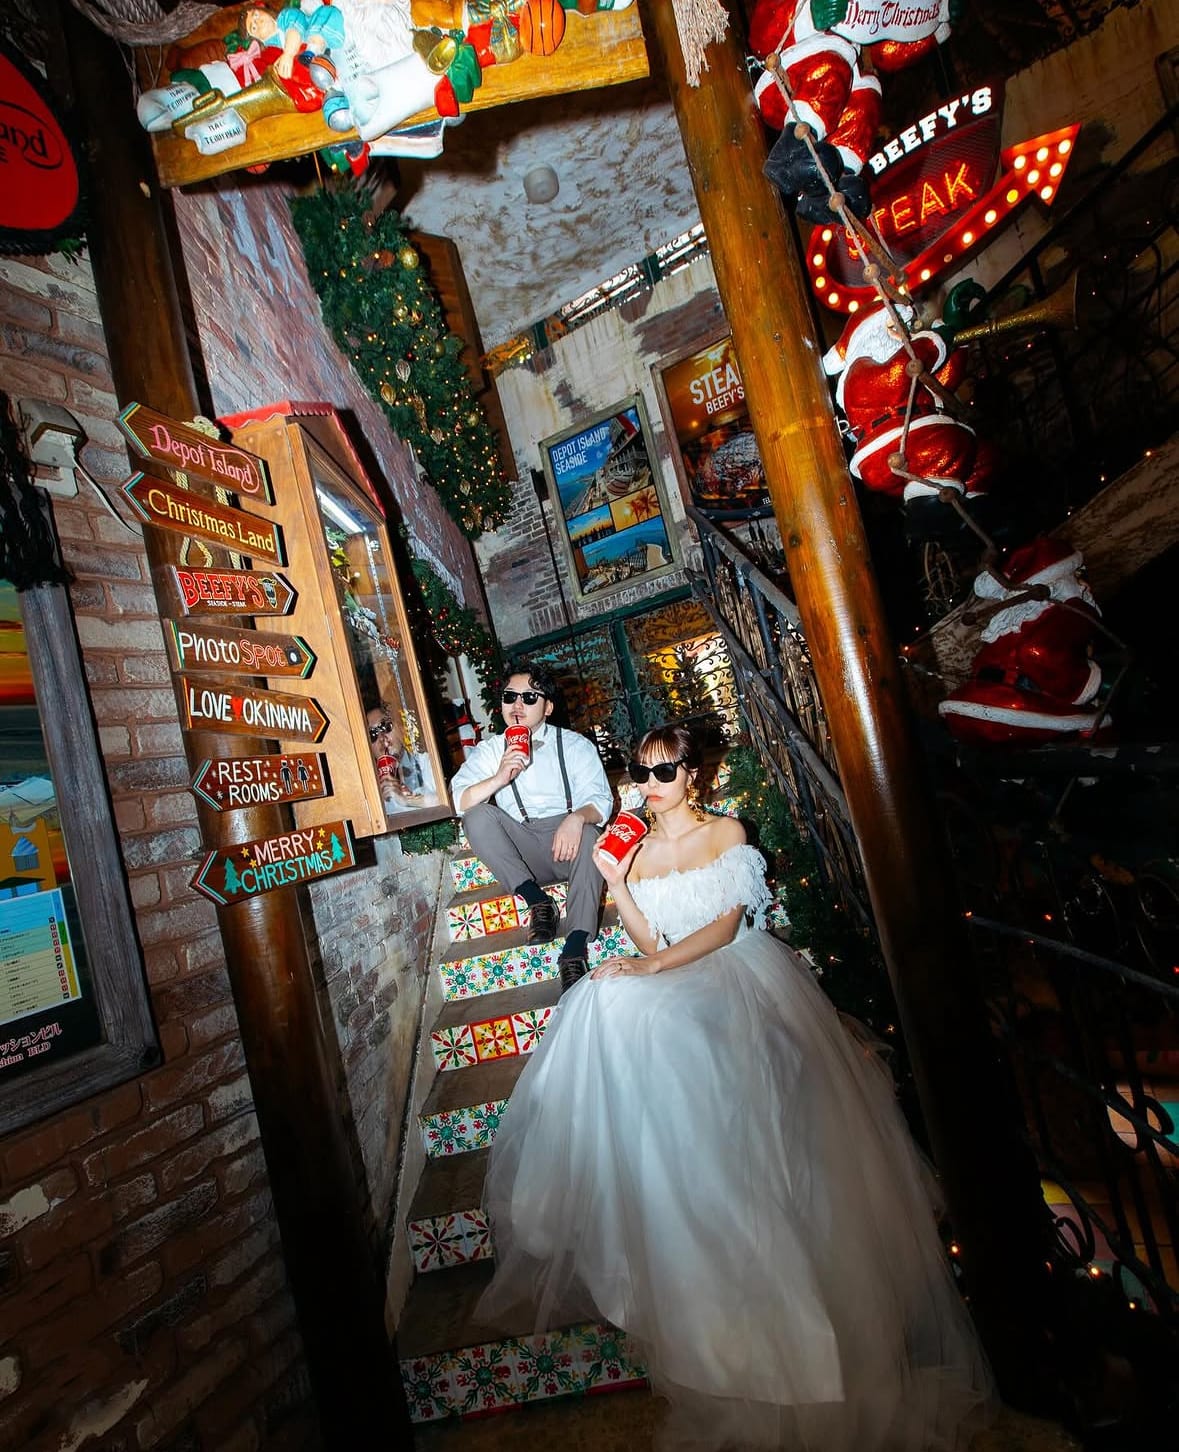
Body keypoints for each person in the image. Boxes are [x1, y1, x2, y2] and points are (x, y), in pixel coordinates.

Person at [477, 724, 995, 1451]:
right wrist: (617, 884)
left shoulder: (726, 833)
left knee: (675, 1028)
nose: (650, 786)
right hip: (673, 973)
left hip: (735, 976)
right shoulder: (636, 846)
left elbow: (722, 930)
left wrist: (653, 970)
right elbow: (651, 943)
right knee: (603, 999)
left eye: (664, 772)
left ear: (693, 775)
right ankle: (672, 1209)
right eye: (640, 773)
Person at [450, 659, 612, 992]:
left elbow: (601, 800)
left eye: (529, 697)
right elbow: (458, 800)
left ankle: (574, 949)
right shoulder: (490, 750)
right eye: (510, 697)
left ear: (548, 707)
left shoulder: (575, 745)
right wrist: (499, 778)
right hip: (523, 850)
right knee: (476, 817)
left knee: (590, 835)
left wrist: (577, 817)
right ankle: (538, 901)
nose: (517, 705)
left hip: (568, 845)